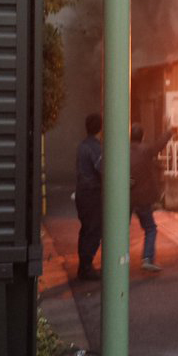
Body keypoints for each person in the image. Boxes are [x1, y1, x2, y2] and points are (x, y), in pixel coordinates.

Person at [129, 122, 174, 272]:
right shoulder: (146, 150)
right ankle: (147, 259)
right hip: (142, 197)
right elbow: (159, 145)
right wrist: (169, 132)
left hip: (126, 197)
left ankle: (118, 257)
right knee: (150, 228)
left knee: (122, 229)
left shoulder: (123, 150)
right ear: (142, 136)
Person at [75, 112, 103, 280]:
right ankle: (86, 267)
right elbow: (102, 169)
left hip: (81, 193)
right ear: (100, 128)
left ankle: (83, 266)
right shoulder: (95, 147)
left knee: (85, 229)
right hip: (92, 194)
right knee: (94, 230)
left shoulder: (82, 145)